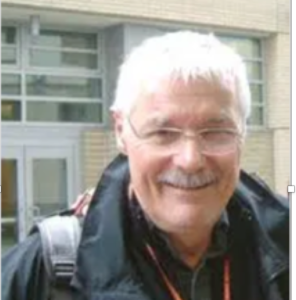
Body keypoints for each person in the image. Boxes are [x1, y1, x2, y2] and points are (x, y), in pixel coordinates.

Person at [2, 31, 289, 300]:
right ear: (120, 131)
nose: (190, 161)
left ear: (242, 133)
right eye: (162, 133)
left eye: (215, 132)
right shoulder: (43, 273)